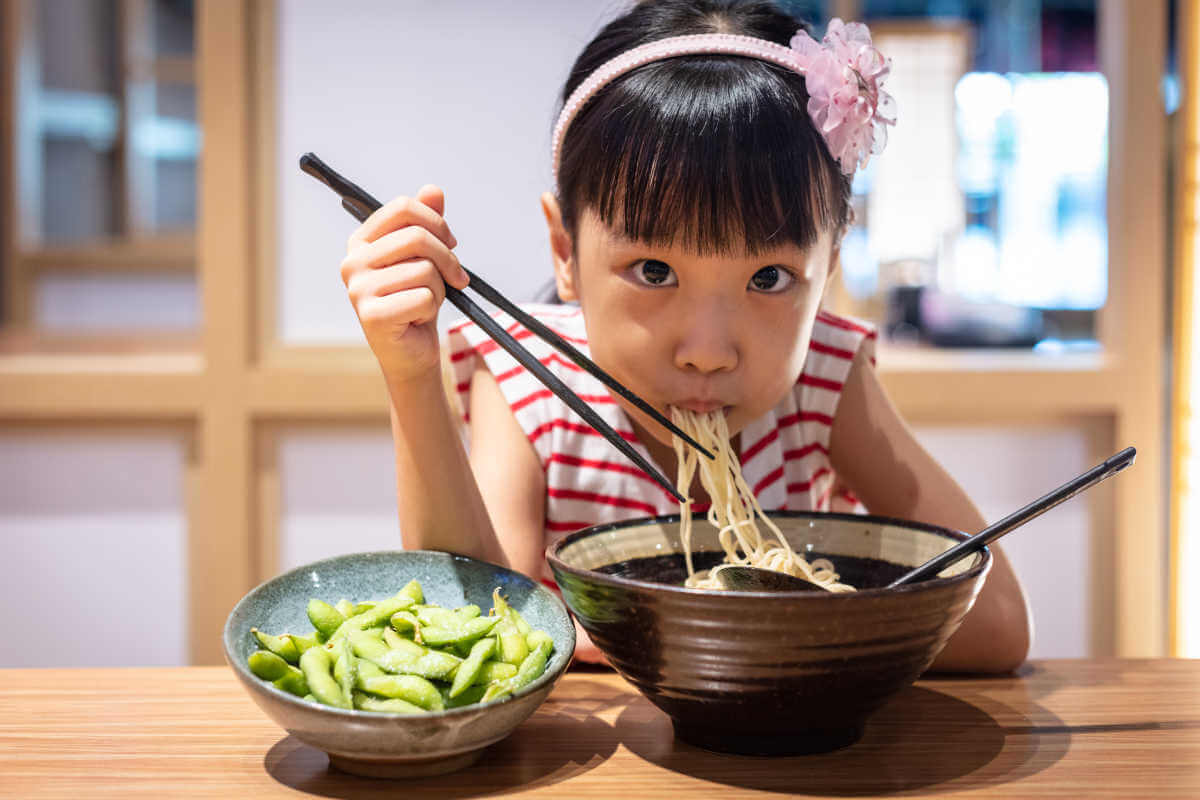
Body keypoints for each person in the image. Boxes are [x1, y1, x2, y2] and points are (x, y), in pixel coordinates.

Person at [337, 0, 1031, 672]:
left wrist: (762, 634)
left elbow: (996, 628)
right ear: (564, 252)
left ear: (829, 272)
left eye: (769, 280)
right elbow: (476, 628)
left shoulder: (826, 376)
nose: (706, 349)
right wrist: (410, 375)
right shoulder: (529, 379)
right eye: (654, 270)